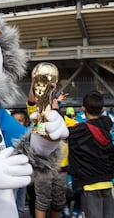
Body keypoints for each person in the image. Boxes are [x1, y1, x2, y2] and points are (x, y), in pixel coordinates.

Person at [68, 91, 114, 218]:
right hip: (108, 182)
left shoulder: (80, 131)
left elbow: (59, 133)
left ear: (83, 108)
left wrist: (56, 107)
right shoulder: (106, 126)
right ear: (102, 109)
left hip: (90, 185)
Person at [27, 83, 68, 218]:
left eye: (53, 100)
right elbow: (31, 101)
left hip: (61, 168)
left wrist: (57, 107)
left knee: (58, 203)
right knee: (42, 202)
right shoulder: (38, 118)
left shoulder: (65, 120)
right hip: (43, 168)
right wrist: (35, 82)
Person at [11, 109, 31, 218]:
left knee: (20, 202)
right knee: (12, 200)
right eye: (14, 121)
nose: (17, 124)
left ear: (25, 122)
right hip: (12, 174)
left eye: (20, 121)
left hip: (23, 172)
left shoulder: (27, 133)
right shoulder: (5, 135)